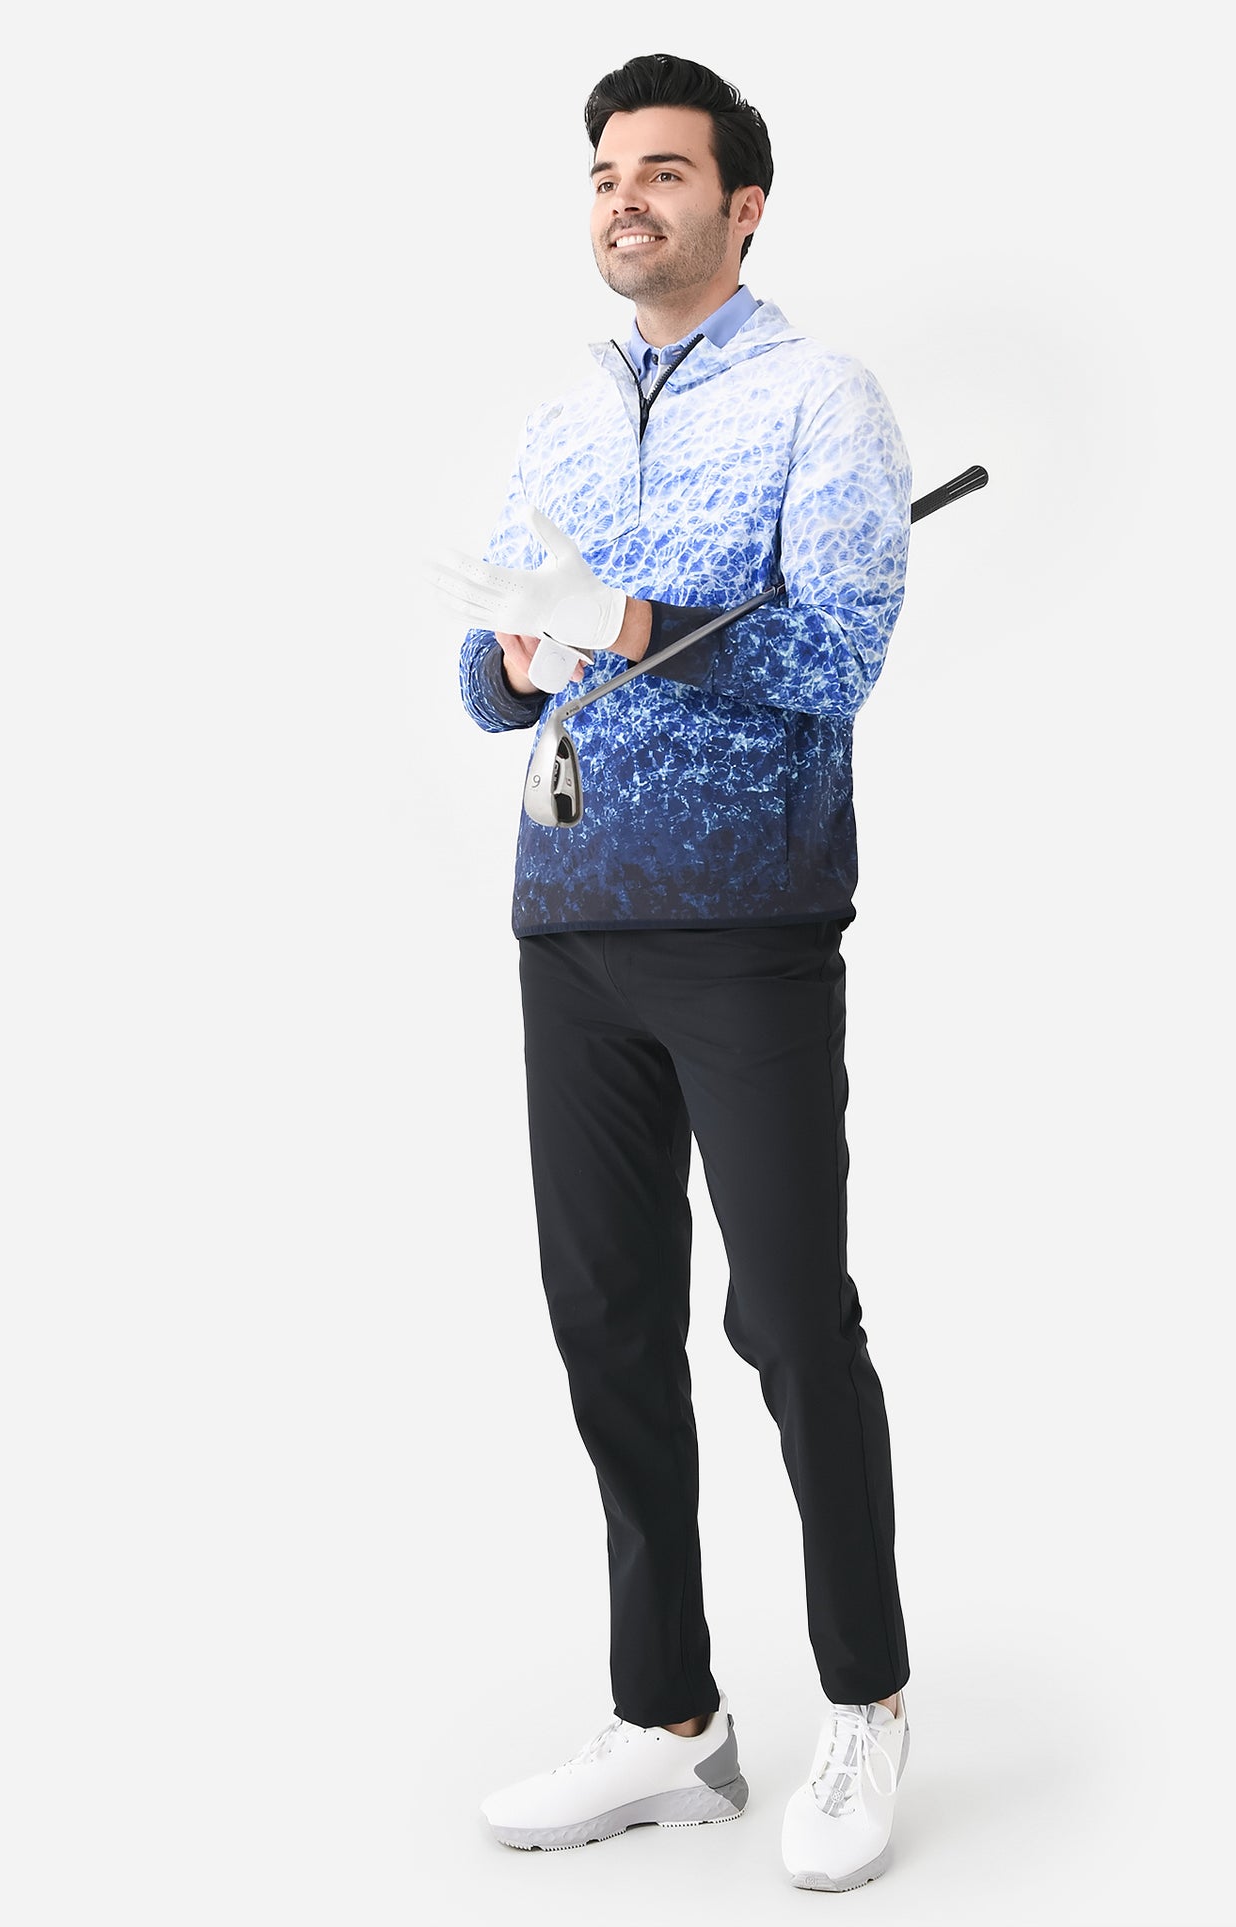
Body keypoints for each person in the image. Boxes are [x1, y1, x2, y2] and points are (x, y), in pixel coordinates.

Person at [431, 52, 913, 1892]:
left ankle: (862, 1699)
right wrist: (512, 663)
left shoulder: (818, 398)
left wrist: (632, 623)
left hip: (746, 925)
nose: (622, 197)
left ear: (741, 204)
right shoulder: (562, 411)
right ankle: (668, 1723)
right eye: (602, 173)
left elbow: (838, 654)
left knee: (788, 1321)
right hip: (570, 922)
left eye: (661, 170)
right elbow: (492, 669)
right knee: (606, 1324)